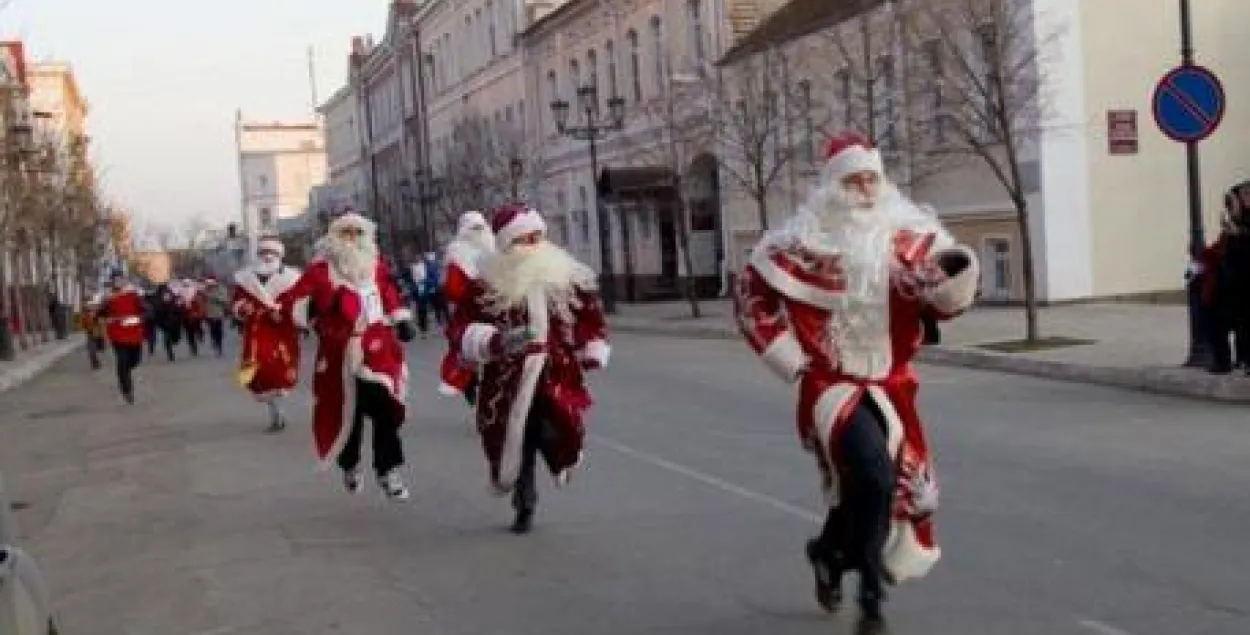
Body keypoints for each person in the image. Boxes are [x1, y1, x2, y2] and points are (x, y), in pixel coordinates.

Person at [733, 132, 980, 635]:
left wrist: (958, 274)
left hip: (892, 383)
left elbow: (945, 297)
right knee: (873, 476)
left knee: (876, 486)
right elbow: (750, 298)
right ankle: (870, 592)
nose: (865, 189)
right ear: (832, 186)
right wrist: (790, 359)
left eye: (872, 178)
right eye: (853, 179)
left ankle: (828, 553)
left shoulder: (912, 238)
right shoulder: (801, 244)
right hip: (829, 384)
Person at [448, 204, 610, 534]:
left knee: (554, 427)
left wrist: (592, 346)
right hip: (508, 376)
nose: (534, 245)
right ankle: (525, 499)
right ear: (507, 245)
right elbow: (462, 326)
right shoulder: (487, 285)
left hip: (555, 370)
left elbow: (590, 315)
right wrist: (490, 340)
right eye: (524, 239)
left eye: (538, 237)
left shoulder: (564, 276)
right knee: (516, 436)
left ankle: (555, 459)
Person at [276, 211, 418, 500]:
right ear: (334, 237)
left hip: (378, 351)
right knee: (346, 415)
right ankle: (350, 464)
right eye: (345, 233)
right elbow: (294, 301)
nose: (351, 239)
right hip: (339, 354)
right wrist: (313, 310)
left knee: (386, 408)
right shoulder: (321, 270)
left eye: (357, 232)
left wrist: (401, 318)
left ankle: (388, 469)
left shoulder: (375, 265)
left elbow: (388, 291)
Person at [232, 237, 303, 432]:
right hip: (256, 331)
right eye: (264, 252)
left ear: (280, 255)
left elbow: (298, 302)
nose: (268, 256)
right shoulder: (246, 279)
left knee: (279, 370)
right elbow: (238, 301)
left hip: (281, 331)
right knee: (258, 371)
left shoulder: (291, 278)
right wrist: (242, 308)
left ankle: (278, 412)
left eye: (272, 253)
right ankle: (275, 412)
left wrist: (283, 310)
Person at [438, 210, 496, 409]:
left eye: (480, 228)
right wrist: (472, 295)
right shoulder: (457, 254)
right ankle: (467, 383)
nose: (478, 232)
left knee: (495, 352)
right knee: (465, 350)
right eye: (474, 228)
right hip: (469, 312)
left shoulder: (493, 248)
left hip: (494, 310)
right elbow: (453, 289)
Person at [98, 270, 147, 404]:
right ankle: (127, 390)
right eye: (115, 279)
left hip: (134, 333)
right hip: (117, 335)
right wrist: (103, 314)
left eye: (120, 279)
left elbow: (145, 309)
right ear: (112, 281)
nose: (118, 282)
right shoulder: (109, 297)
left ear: (125, 280)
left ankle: (125, 374)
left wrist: (143, 316)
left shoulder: (133, 294)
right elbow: (101, 313)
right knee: (122, 362)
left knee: (135, 360)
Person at [78, 293, 106, 370]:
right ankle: (95, 363)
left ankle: (96, 361)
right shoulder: (84, 312)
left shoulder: (97, 310)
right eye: (84, 302)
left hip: (98, 331)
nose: (85, 303)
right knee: (92, 349)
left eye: (86, 301)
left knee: (98, 348)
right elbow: (82, 322)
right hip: (90, 332)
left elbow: (102, 320)